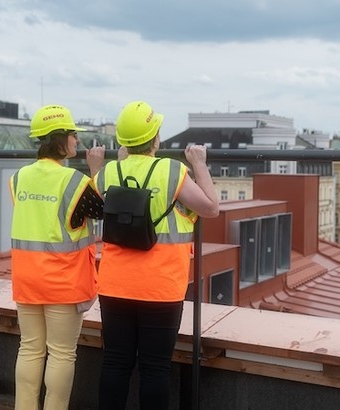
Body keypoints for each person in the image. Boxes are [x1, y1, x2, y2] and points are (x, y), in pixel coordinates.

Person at [93, 101, 220, 409]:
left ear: (123, 142)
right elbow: (210, 208)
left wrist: (103, 163)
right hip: (160, 288)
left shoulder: (110, 171)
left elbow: (99, 193)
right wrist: (200, 164)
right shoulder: (171, 170)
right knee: (154, 368)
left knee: (115, 363)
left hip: (114, 286)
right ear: (156, 139)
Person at [9, 104, 105, 410]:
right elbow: (102, 211)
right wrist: (97, 170)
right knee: (62, 353)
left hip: (27, 278)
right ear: (61, 139)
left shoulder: (19, 177)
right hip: (63, 281)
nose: (77, 140)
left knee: (30, 349)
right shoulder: (74, 182)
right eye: (74, 134)